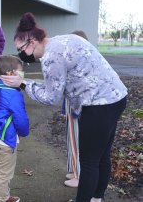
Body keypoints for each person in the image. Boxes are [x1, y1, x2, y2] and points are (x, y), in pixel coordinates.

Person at [1, 12, 127, 202]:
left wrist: (22, 84)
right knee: (101, 155)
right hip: (116, 96)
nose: (21, 54)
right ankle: (96, 198)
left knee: (89, 161)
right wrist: (24, 81)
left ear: (32, 41)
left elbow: (51, 97)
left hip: (98, 105)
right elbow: (55, 85)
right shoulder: (62, 40)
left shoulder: (52, 58)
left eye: (20, 48)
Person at [0, 55, 29, 202]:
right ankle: (2, 199)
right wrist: (24, 133)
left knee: (1, 170)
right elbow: (21, 119)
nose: (22, 74)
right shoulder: (13, 94)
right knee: (4, 173)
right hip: (5, 140)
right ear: (11, 74)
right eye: (20, 71)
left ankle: (4, 196)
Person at [63, 30, 89, 188]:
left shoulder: (84, 62)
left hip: (79, 107)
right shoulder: (74, 60)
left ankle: (80, 175)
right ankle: (74, 169)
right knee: (71, 140)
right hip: (71, 105)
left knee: (78, 141)